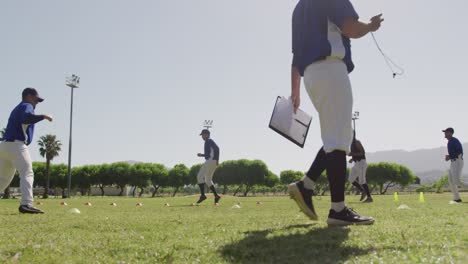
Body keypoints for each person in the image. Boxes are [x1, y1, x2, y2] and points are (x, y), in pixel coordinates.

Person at [287, 0, 383, 226]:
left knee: (338, 135)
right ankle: (337, 210)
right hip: (330, 68)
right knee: (337, 139)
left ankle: (306, 184)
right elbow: (350, 27)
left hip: (312, 75)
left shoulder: (299, 8)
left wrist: (295, 91)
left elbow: (296, 56)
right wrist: (370, 25)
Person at [0, 88, 53, 214]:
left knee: (3, 179)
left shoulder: (18, 107)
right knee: (27, 173)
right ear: (29, 96)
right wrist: (43, 116)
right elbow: (27, 118)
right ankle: (26, 204)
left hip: (4, 146)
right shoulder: (26, 105)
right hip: (16, 145)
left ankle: (26, 204)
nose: (37, 103)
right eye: (36, 100)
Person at [196, 129, 221, 204]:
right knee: (208, 180)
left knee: (199, 176)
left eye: (203, 135)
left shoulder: (208, 141)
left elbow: (217, 149)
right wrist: (202, 155)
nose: (202, 136)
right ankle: (216, 196)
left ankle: (203, 195)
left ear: (207, 134)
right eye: (202, 135)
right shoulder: (208, 142)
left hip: (211, 161)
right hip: (213, 161)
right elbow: (209, 153)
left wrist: (217, 159)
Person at [348, 134, 372, 203]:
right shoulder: (351, 144)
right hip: (356, 164)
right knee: (351, 179)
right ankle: (362, 191)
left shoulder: (357, 142)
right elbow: (355, 153)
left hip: (361, 163)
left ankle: (369, 198)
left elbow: (362, 152)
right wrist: (352, 159)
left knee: (362, 181)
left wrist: (352, 154)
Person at [443, 127, 465, 203]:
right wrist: (449, 157)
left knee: (456, 181)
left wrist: (449, 156)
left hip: (457, 161)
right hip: (453, 162)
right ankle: (457, 198)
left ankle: (457, 198)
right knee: (451, 180)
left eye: (446, 132)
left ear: (450, 133)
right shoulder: (450, 142)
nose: (444, 133)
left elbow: (459, 152)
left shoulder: (454, 140)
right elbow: (454, 153)